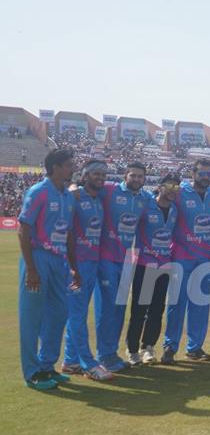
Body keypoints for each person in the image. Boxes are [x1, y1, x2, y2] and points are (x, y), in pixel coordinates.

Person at [18, 149, 79, 390]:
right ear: (55, 167)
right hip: (38, 258)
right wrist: (31, 268)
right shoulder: (39, 192)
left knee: (59, 314)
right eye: (68, 164)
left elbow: (69, 234)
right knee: (32, 317)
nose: (72, 168)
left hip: (59, 261)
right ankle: (32, 373)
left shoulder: (68, 196)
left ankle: (46, 366)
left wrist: (74, 267)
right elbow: (23, 230)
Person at [96, 161, 151, 372]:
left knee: (119, 308)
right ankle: (103, 355)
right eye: (133, 175)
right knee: (107, 308)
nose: (136, 179)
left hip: (127, 260)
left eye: (140, 176)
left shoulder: (145, 198)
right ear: (125, 175)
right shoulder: (109, 190)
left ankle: (111, 353)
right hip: (106, 258)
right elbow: (82, 192)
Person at [62, 160, 114, 381]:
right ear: (83, 177)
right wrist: (73, 267)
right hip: (76, 264)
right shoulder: (74, 196)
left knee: (79, 313)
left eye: (103, 174)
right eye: (95, 174)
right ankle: (88, 364)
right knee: (77, 315)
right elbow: (65, 231)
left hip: (92, 262)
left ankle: (70, 361)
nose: (100, 177)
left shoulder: (98, 198)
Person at [163, 159, 210, 364]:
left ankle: (195, 347)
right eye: (202, 173)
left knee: (200, 304)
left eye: (209, 174)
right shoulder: (179, 192)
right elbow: (158, 205)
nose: (206, 177)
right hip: (182, 257)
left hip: (205, 258)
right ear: (193, 173)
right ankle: (170, 346)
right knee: (177, 304)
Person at [125, 173, 180, 366]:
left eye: (176, 187)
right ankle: (132, 350)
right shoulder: (147, 206)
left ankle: (147, 346)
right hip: (145, 265)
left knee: (157, 310)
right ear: (160, 186)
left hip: (164, 266)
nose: (173, 190)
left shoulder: (174, 210)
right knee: (139, 309)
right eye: (169, 186)